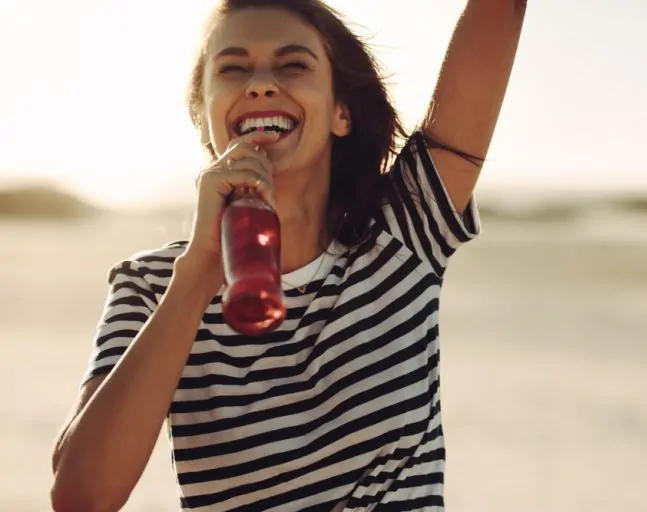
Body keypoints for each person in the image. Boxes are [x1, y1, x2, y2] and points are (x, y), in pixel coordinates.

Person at [50, 0, 527, 510]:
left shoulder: (405, 231)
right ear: (205, 115)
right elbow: (82, 497)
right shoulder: (150, 286)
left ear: (341, 112)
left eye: (293, 65)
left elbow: (498, 15)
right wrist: (201, 271)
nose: (260, 84)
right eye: (233, 69)